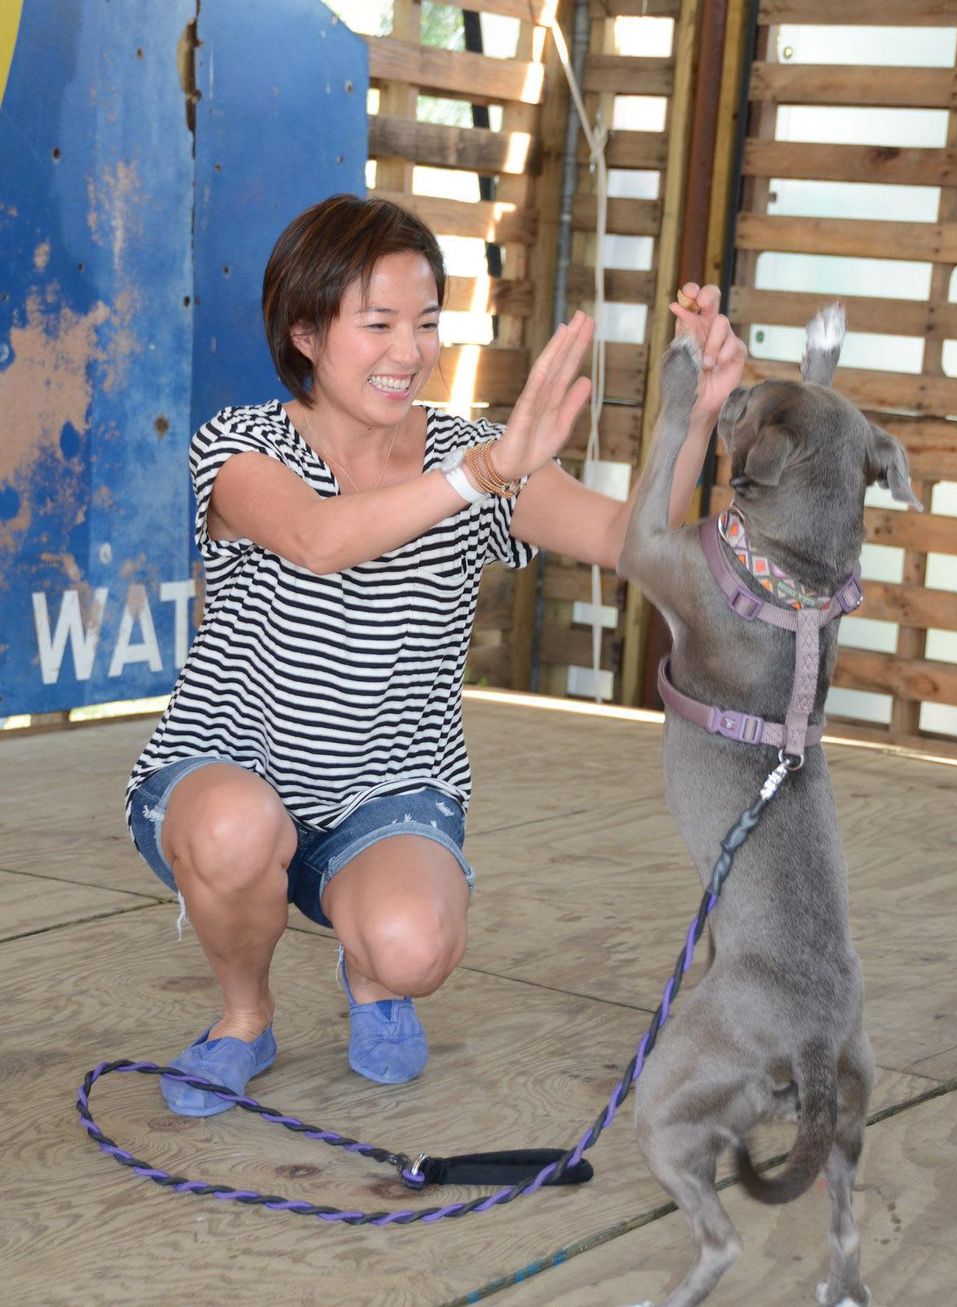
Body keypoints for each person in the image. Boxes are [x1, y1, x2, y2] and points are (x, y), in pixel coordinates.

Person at [126, 193, 746, 1115]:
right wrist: (481, 476)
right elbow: (320, 538)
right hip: (231, 770)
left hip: (386, 785)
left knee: (412, 947)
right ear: (304, 330)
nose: (408, 352)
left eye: (425, 323)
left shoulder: (471, 452)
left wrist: (692, 418)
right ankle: (243, 1020)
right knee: (234, 829)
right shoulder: (243, 446)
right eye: (376, 323)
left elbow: (630, 538)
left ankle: (371, 968)